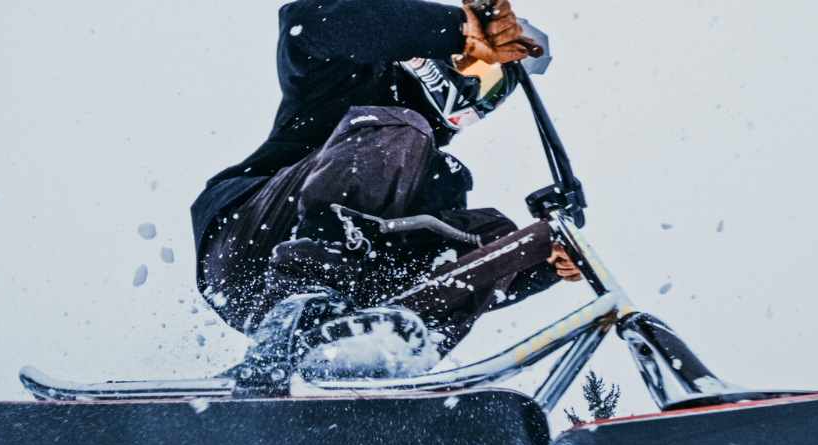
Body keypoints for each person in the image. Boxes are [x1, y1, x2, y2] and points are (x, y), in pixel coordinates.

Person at [190, 0, 580, 378]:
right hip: (249, 244)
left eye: (492, 90)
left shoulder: (438, 176)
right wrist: (453, 29)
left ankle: (376, 355)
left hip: (347, 284)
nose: (475, 91)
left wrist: (536, 265)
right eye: (477, 67)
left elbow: (452, 277)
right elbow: (304, 23)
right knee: (402, 128)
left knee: (493, 233)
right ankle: (304, 306)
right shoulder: (350, 79)